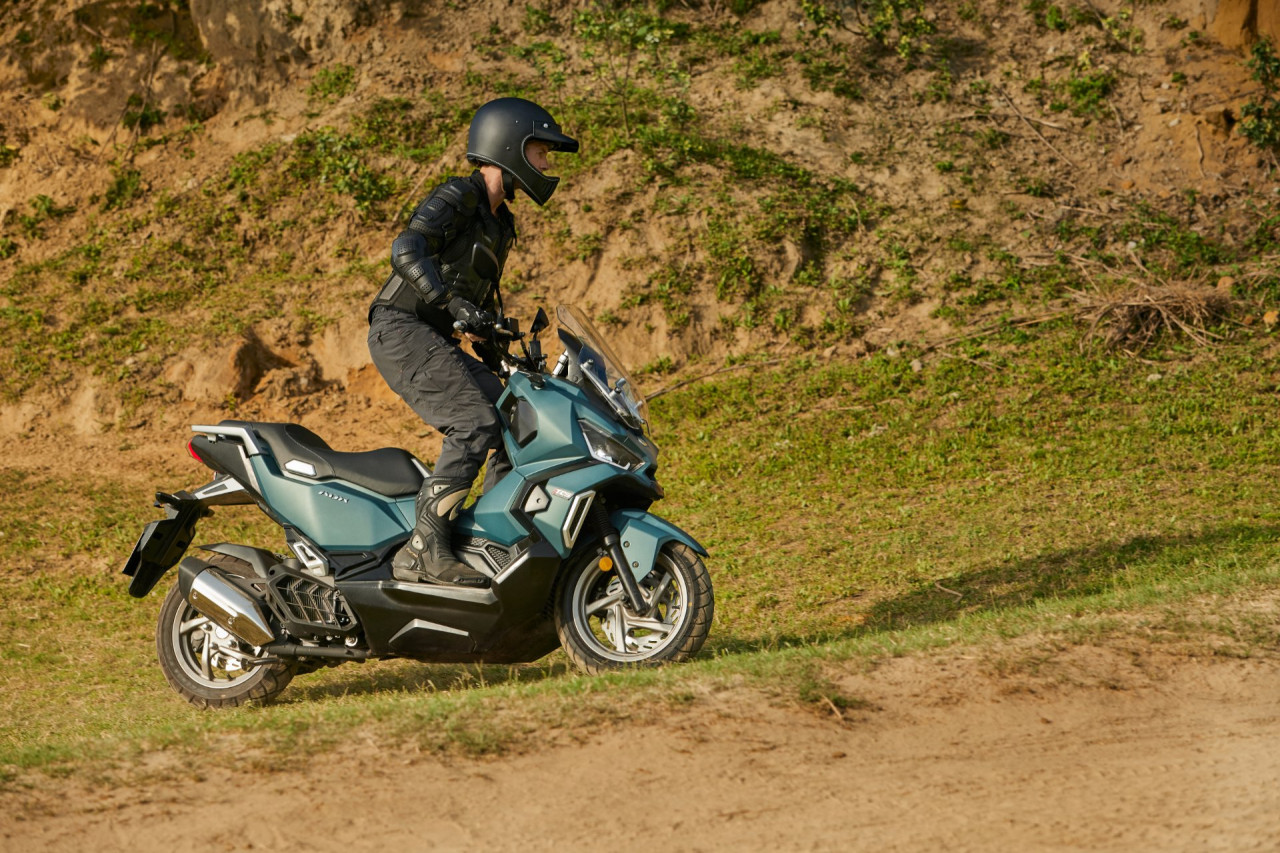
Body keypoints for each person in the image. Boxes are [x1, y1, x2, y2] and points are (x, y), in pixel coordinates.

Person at [367, 97, 578, 586]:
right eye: (541, 152)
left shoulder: (501, 222)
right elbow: (407, 248)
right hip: (401, 328)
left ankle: (486, 538)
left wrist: (499, 340)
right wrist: (449, 303)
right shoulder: (460, 195)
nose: (547, 165)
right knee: (473, 422)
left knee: (514, 418)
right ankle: (422, 551)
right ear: (509, 146)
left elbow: (475, 300)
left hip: (435, 335)